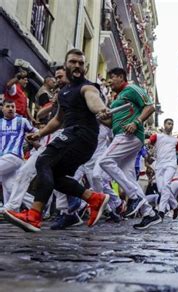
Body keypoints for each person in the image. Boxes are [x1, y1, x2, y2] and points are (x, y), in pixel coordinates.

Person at [4, 48, 110, 232]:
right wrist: (40, 133)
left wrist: (101, 110)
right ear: (66, 65)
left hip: (80, 134)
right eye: (73, 62)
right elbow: (58, 120)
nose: (77, 65)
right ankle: (94, 199)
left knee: (43, 161)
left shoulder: (87, 87)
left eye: (81, 63)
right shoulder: (64, 93)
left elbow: (94, 101)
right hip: (77, 138)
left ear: (84, 67)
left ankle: (34, 216)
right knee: (56, 177)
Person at [96, 67, 157, 230]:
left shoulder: (132, 89)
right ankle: (149, 213)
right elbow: (111, 123)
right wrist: (102, 119)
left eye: (112, 77)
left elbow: (150, 106)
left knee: (105, 161)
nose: (109, 81)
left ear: (122, 77)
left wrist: (136, 122)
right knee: (128, 177)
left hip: (128, 135)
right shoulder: (117, 98)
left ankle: (134, 197)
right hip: (121, 135)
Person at [0, 100, 36, 204]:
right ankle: (33, 206)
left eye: (12, 106)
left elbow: (36, 131)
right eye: (8, 106)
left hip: (14, 156)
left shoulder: (22, 120)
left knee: (10, 186)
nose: (10, 108)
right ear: (2, 109)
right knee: (10, 187)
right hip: (4, 158)